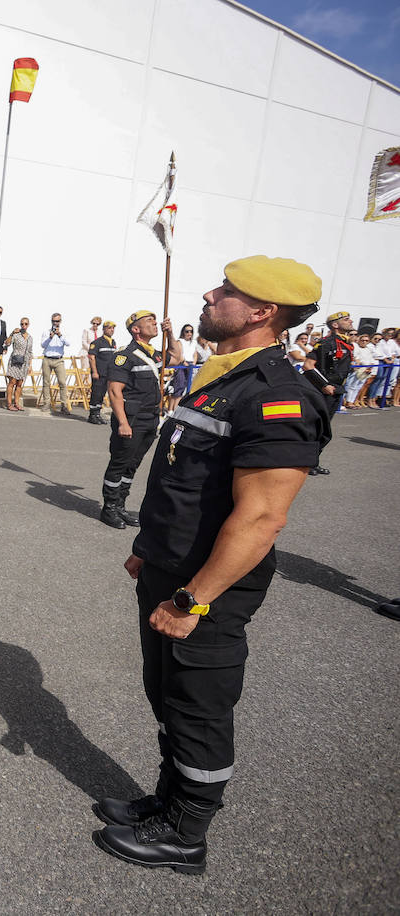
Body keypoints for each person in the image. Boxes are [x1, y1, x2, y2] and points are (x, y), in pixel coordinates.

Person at [93, 255, 329, 875]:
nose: (209, 293)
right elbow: (183, 479)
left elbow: (260, 519)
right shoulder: (222, 376)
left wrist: (194, 599)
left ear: (261, 312)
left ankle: (186, 833)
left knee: (199, 702)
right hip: (171, 569)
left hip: (208, 587)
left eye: (226, 289)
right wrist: (149, 549)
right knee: (166, 692)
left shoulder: (277, 394)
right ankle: (166, 802)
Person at [100, 310, 170, 529]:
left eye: (156, 321)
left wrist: (172, 333)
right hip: (132, 419)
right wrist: (122, 422)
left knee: (133, 465)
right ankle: (109, 508)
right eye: (149, 321)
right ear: (135, 329)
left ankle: (120, 505)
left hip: (150, 418)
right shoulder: (125, 355)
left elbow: (175, 357)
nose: (155, 324)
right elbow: (114, 391)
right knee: (119, 464)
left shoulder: (154, 354)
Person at [303, 311, 353, 475]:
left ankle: (313, 462)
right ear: (335, 324)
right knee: (316, 428)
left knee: (324, 429)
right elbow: (308, 365)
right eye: (346, 319)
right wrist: (324, 385)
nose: (350, 321)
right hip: (324, 391)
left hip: (336, 390)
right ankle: (305, 462)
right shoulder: (327, 343)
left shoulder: (346, 343)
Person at [40, 313, 74, 415]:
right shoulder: (46, 332)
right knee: (46, 382)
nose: (55, 323)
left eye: (57, 321)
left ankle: (64, 405)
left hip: (59, 359)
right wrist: (50, 337)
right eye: (53, 321)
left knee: (62, 383)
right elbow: (43, 345)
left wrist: (60, 335)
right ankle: (46, 403)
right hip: (47, 358)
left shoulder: (64, 332)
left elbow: (68, 343)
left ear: (60, 321)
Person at [87, 320, 120, 424]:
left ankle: (97, 414)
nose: (112, 330)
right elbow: (92, 358)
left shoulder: (112, 342)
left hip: (108, 373)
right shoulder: (97, 343)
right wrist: (94, 372)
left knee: (101, 394)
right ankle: (92, 415)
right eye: (109, 328)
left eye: (113, 328)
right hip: (99, 373)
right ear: (104, 329)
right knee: (96, 393)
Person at [3, 318, 34, 411]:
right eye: (22, 324)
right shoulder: (16, 335)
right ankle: (9, 404)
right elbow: (7, 343)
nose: (23, 326)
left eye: (25, 324)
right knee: (12, 382)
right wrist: (12, 333)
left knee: (20, 384)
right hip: (15, 361)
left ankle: (16, 403)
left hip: (24, 363)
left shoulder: (30, 337)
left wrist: (29, 365)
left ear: (28, 325)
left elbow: (30, 352)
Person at [167, 325, 195, 412]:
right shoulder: (180, 342)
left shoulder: (194, 342)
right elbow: (179, 354)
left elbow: (195, 353)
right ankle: (171, 410)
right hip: (181, 365)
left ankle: (176, 409)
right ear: (183, 332)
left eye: (191, 331)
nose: (189, 333)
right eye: (187, 331)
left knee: (187, 388)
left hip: (191, 365)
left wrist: (193, 362)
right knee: (179, 387)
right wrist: (184, 362)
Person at [344, 333, 375, 409]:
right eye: (362, 340)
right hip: (358, 369)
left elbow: (371, 359)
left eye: (366, 340)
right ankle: (348, 401)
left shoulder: (368, 349)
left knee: (358, 386)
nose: (364, 342)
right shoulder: (356, 347)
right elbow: (356, 357)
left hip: (366, 370)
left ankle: (352, 401)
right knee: (351, 386)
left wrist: (369, 367)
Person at [371, 328, 399, 408]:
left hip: (391, 360)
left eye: (391, 334)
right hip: (382, 360)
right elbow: (379, 352)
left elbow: (396, 352)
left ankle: (384, 397)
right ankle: (377, 397)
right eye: (388, 333)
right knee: (380, 379)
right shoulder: (381, 342)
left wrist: (392, 358)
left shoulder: (391, 342)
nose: (390, 335)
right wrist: (386, 359)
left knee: (389, 380)